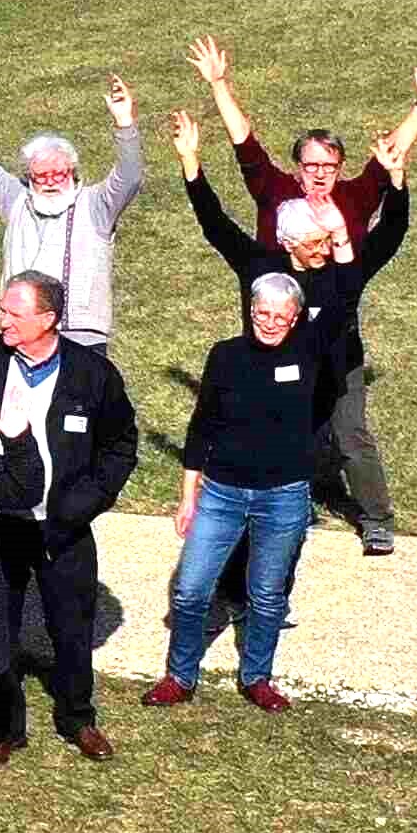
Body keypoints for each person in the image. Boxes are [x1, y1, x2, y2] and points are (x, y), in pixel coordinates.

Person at [177, 109, 414, 552]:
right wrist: (192, 166)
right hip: (288, 371)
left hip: (339, 362)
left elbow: (394, 230)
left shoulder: (344, 271)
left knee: (349, 436)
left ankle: (377, 518)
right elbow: (215, 223)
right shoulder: (262, 268)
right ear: (288, 243)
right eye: (314, 242)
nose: (324, 248)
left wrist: (398, 181)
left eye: (326, 240)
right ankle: (288, 507)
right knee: (279, 433)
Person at [145, 272, 350, 711]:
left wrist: (338, 235)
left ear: (296, 318)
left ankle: (257, 676)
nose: (271, 322)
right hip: (221, 495)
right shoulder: (225, 356)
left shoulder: (308, 351)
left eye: (281, 315)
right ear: (250, 310)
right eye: (263, 313)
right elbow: (201, 427)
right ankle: (180, 676)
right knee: (190, 589)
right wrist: (188, 496)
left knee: (267, 593)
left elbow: (346, 290)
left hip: (283, 497)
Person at [0, 270, 139, 767]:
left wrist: (86, 502)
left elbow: (121, 446)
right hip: (1, 524)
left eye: (14, 314)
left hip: (63, 527)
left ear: (49, 319)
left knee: (71, 626)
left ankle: (78, 718)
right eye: (2, 310)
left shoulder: (91, 373)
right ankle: (4, 727)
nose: (2, 321)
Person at [0, 69, 151, 348]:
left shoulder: (96, 205)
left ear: (72, 172)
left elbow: (130, 175)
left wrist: (124, 122)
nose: (50, 182)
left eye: (58, 174)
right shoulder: (15, 200)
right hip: (22, 333)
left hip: (81, 336)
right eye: (41, 176)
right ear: (29, 177)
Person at [188, 38, 417, 243]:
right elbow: (243, 140)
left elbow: (390, 153)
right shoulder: (273, 188)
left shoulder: (357, 197)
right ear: (298, 165)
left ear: (340, 167)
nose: (321, 173)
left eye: (329, 166)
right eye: (312, 165)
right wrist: (218, 83)